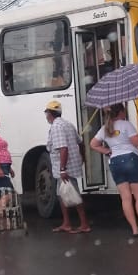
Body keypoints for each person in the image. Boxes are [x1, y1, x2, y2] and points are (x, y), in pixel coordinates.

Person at [90, 103, 138, 237]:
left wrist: (107, 150)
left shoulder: (104, 128)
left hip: (115, 162)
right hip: (130, 160)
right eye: (124, 111)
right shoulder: (126, 124)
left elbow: (93, 144)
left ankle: (134, 229)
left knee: (125, 198)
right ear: (120, 112)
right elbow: (137, 142)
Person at [44, 99, 90, 233]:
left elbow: (63, 148)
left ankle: (84, 224)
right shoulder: (68, 124)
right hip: (69, 165)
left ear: (49, 114)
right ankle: (66, 223)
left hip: (64, 167)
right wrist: (82, 157)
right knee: (62, 194)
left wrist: (63, 169)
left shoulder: (56, 127)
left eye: (46, 113)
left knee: (73, 194)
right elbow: (80, 142)